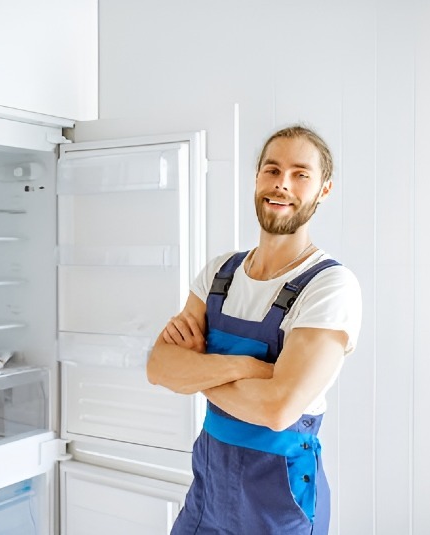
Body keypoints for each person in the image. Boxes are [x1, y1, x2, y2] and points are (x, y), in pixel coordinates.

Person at [147, 125, 362, 534]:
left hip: (278, 501)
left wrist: (195, 372)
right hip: (208, 489)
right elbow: (159, 368)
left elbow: (278, 410)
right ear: (257, 177)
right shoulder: (219, 274)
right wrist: (250, 367)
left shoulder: (329, 287)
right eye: (272, 170)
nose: (282, 184)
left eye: (301, 174)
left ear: (324, 190)